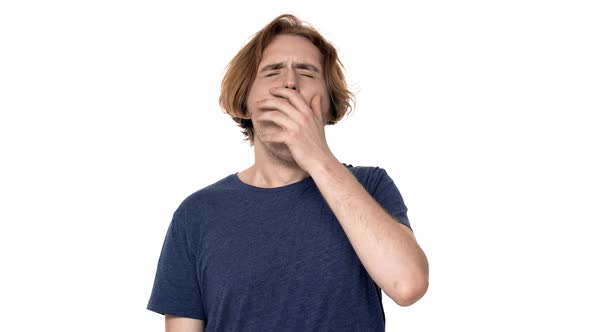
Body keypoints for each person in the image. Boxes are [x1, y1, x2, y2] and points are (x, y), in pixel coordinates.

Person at [146, 13, 429, 331]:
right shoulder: (196, 214)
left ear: (328, 102)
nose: (290, 83)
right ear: (246, 100)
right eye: (272, 72)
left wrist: (317, 156)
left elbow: (408, 285)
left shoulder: (370, 185)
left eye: (307, 72)